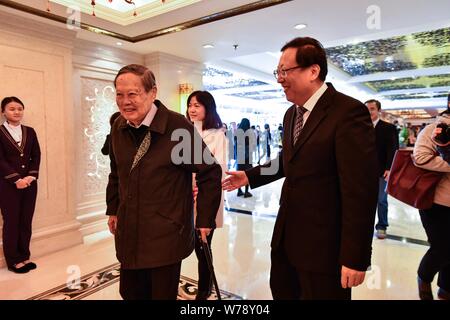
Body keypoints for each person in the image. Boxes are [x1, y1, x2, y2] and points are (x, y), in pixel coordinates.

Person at [222, 37, 378, 300]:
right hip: (286, 240)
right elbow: (289, 160)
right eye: (278, 72)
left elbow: (360, 191)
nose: (279, 79)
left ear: (313, 71)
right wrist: (249, 176)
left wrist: (355, 256)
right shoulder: (292, 113)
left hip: (325, 249)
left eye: (285, 71)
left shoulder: (348, 112)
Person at [106, 64, 222, 300]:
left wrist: (205, 219)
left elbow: (209, 172)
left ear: (152, 93)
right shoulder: (118, 126)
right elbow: (116, 172)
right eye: (120, 94)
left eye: (133, 94)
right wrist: (113, 209)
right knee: (130, 292)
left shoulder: (177, 127)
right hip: (130, 230)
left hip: (166, 233)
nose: (125, 101)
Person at [186, 90, 227, 300]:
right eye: (190, 105)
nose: (192, 109)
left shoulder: (217, 135)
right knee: (194, 244)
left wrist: (199, 189)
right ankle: (205, 285)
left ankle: (204, 289)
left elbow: (217, 169)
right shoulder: (186, 132)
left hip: (207, 198)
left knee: (203, 245)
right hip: (186, 196)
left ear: (207, 109)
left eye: (197, 105)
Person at [413, 95, 450, 300]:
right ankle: (423, 279)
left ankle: (446, 290)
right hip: (437, 202)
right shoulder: (434, 128)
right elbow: (420, 158)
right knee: (442, 248)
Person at [0, 96, 41, 274]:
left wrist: (31, 177)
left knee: (26, 220)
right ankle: (13, 261)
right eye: (12, 109)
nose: (17, 112)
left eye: (19, 108)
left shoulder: (30, 131)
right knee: (12, 222)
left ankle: (24, 256)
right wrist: (16, 179)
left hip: (30, 184)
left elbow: (36, 155)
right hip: (8, 185)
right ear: (3, 112)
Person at [365, 99, 399, 239]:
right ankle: (365, 224)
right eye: (366, 109)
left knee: (381, 199)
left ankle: (382, 226)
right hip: (363, 171)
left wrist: (389, 168)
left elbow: (393, 149)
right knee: (364, 200)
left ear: (378, 110)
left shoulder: (388, 128)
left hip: (381, 171)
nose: (369, 111)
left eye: (372, 108)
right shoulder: (359, 127)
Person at [234, 118, 254, 198]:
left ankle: (239, 191)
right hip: (247, 158)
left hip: (239, 157)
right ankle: (246, 192)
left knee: (238, 174)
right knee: (247, 174)